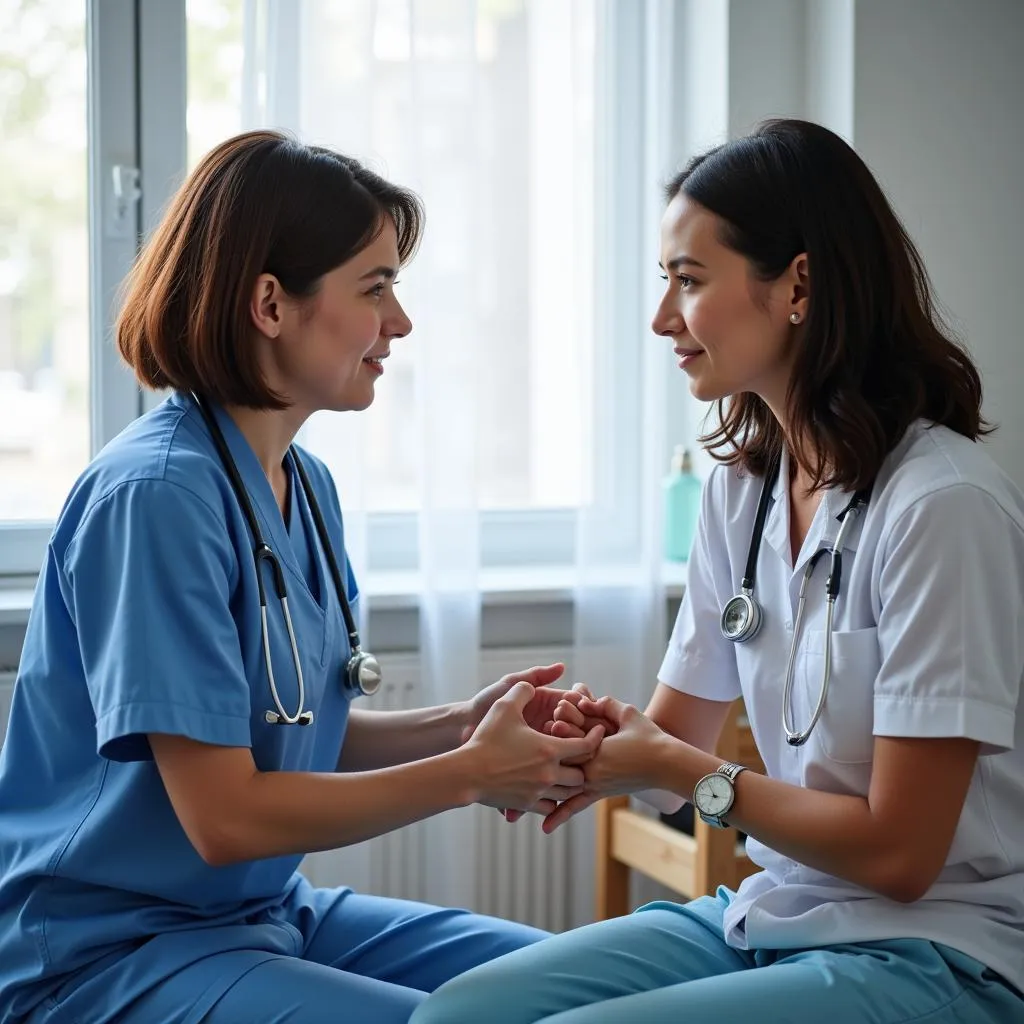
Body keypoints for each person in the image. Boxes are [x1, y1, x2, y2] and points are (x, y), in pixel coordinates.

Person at [410, 118, 1024, 1023]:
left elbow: (901, 854)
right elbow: (667, 759)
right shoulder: (743, 491)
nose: (663, 319)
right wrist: (584, 745)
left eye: (688, 282)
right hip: (775, 916)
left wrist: (690, 771)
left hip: (937, 945)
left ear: (799, 286)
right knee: (455, 1016)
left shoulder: (943, 507)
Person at [0, 130, 604, 1024]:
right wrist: (471, 774)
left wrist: (461, 725)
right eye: (376, 288)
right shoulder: (156, 498)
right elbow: (227, 818)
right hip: (108, 954)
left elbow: (292, 725)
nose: (399, 323)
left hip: (265, 914)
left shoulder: (304, 485)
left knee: (583, 985)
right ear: (271, 304)